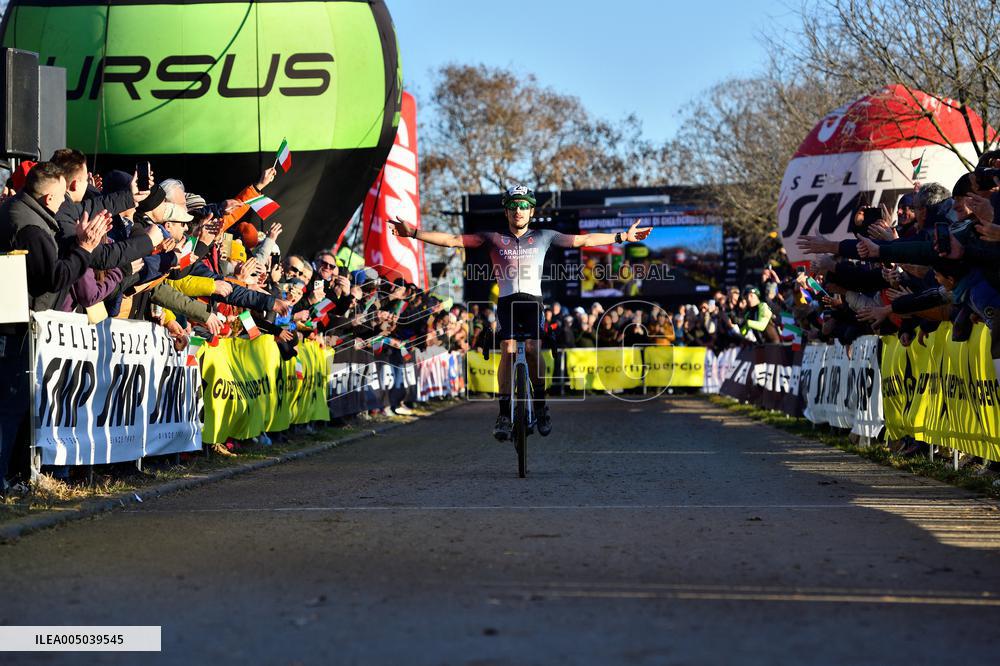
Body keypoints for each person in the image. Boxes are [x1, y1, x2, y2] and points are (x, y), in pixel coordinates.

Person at [389, 184, 650, 441]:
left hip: (532, 303)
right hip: (506, 304)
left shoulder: (544, 236)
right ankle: (504, 414)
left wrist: (622, 237)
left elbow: (584, 240)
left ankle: (540, 405)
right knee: (508, 350)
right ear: (506, 212)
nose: (519, 210)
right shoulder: (492, 238)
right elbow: (452, 240)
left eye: (524, 206)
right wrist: (412, 232)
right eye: (513, 206)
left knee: (535, 350)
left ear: (531, 212)